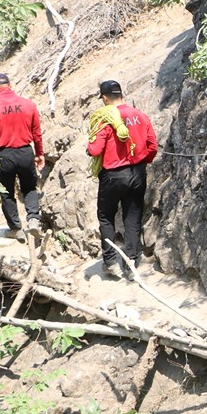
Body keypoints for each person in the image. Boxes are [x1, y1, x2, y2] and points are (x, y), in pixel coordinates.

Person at [86, 80, 158, 279]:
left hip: (113, 175)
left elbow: (94, 150)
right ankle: (132, 264)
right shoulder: (140, 115)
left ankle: (110, 262)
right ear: (121, 95)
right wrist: (144, 161)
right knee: (132, 218)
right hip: (138, 172)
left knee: (106, 216)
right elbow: (152, 146)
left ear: (105, 98)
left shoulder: (106, 118)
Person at [0, 72, 44, 240]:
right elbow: (37, 133)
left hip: (4, 155)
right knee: (29, 187)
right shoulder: (28, 104)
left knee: (7, 192)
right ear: (10, 84)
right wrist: (39, 154)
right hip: (25, 152)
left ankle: (16, 229)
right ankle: (33, 220)